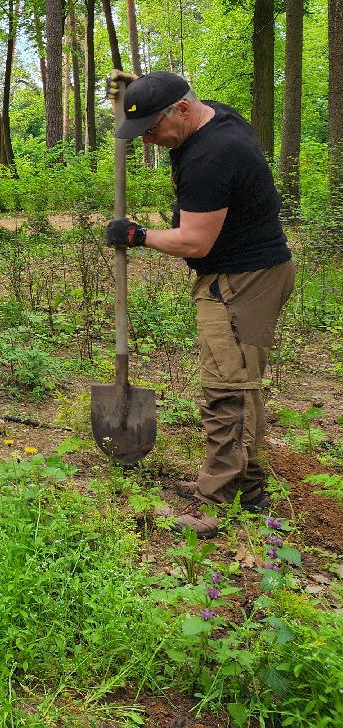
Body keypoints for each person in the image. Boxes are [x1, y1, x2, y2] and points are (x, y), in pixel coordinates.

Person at [106, 71, 295, 538]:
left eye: (152, 129)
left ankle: (222, 498)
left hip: (239, 281)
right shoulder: (214, 117)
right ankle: (245, 485)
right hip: (246, 274)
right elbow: (175, 97)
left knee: (228, 388)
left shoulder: (211, 156)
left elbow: (195, 242)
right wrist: (136, 94)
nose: (149, 140)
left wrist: (137, 235)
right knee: (236, 379)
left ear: (183, 112)